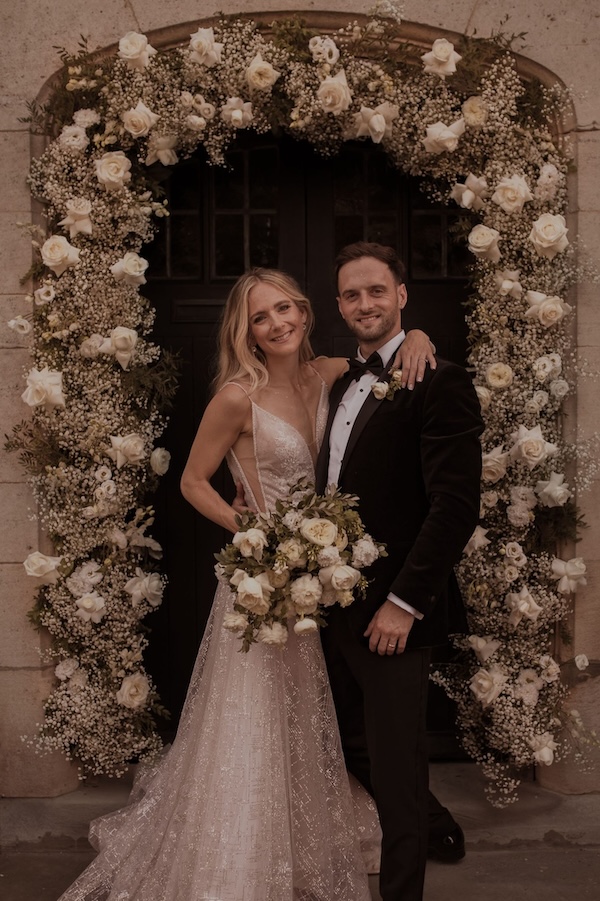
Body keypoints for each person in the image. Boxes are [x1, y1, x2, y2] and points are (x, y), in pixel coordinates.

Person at [56, 267, 434, 901]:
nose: (278, 323)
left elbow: (386, 357)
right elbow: (192, 482)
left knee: (307, 712)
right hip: (262, 582)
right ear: (247, 331)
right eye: (261, 317)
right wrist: (253, 534)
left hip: (320, 583)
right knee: (252, 719)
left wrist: (418, 332)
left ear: (307, 313)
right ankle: (243, 852)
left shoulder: (331, 376)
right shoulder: (237, 396)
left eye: (286, 308)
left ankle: (301, 834)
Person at [316, 242, 484, 901]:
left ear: (402, 295)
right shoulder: (336, 379)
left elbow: (454, 505)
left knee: (395, 760)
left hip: (391, 614)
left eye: (377, 292)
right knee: (348, 746)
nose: (365, 304)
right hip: (327, 606)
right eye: (352, 295)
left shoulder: (437, 379)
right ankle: (436, 823)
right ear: (338, 305)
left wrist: (405, 603)